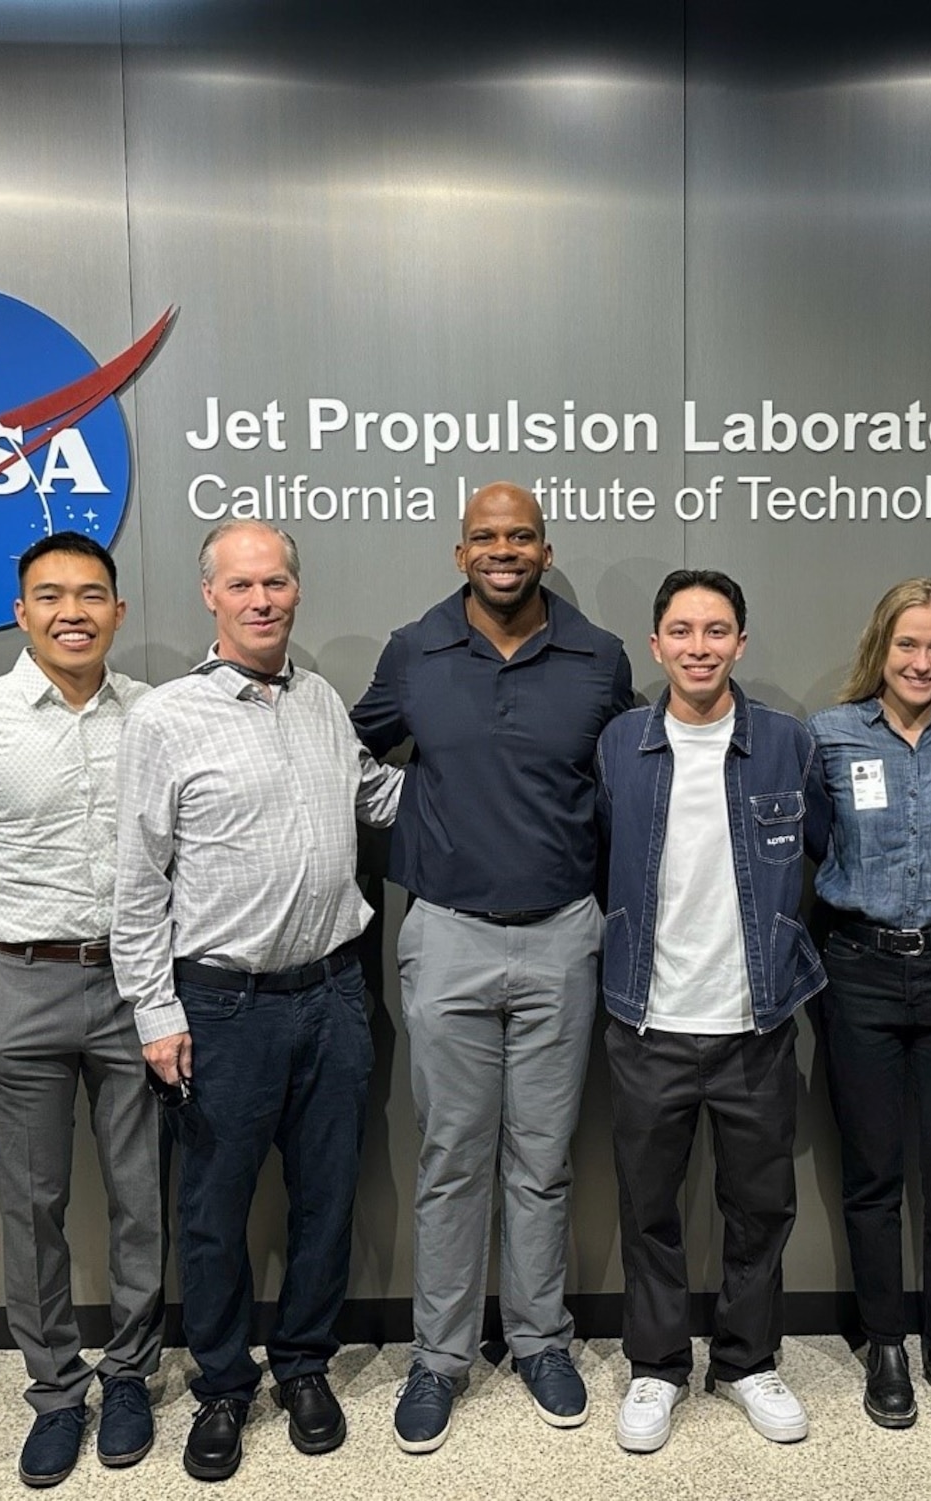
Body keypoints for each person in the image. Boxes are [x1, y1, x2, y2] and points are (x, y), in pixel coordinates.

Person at [111, 520, 403, 1482]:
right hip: (222, 1008)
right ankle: (226, 1385)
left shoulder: (321, 700)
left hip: (333, 995)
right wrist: (156, 1012)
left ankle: (306, 1364)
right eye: (243, 584)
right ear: (210, 595)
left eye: (276, 580)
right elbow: (136, 881)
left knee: (325, 1198)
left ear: (296, 589)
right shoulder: (164, 719)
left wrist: (492, 768)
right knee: (214, 1210)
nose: (263, 598)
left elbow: (376, 796)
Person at [351, 481, 633, 1453]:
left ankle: (539, 1338)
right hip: (448, 933)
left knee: (543, 1158)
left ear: (545, 550)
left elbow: (627, 778)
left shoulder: (598, 658)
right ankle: (438, 1356)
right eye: (484, 535)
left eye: (519, 536)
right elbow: (338, 749)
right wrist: (414, 810)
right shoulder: (413, 650)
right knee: (449, 1157)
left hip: (562, 931)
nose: (501, 549)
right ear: (458, 549)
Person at [0, 532, 161, 1488]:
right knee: (34, 1205)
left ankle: (130, 1373)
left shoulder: (155, 717)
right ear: (21, 612)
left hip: (136, 985)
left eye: (91, 594)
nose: (72, 611)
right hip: (17, 984)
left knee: (141, 1198)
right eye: (50, 595)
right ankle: (57, 1392)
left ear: (119, 611)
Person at [594, 569, 832, 1454]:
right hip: (647, 1021)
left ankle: (746, 1360)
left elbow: (820, 859)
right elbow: (598, 857)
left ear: (741, 642)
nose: (700, 646)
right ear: (656, 645)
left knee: (761, 1204)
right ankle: (655, 1369)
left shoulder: (786, 745)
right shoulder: (620, 744)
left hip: (756, 1023)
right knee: (648, 1205)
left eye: (718, 629)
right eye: (682, 631)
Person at [807, 578, 931, 1434]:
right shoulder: (829, 735)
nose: (923, 662)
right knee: (873, 1172)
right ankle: (886, 1341)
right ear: (880, 648)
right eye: (908, 645)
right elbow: (806, 846)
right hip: (859, 966)